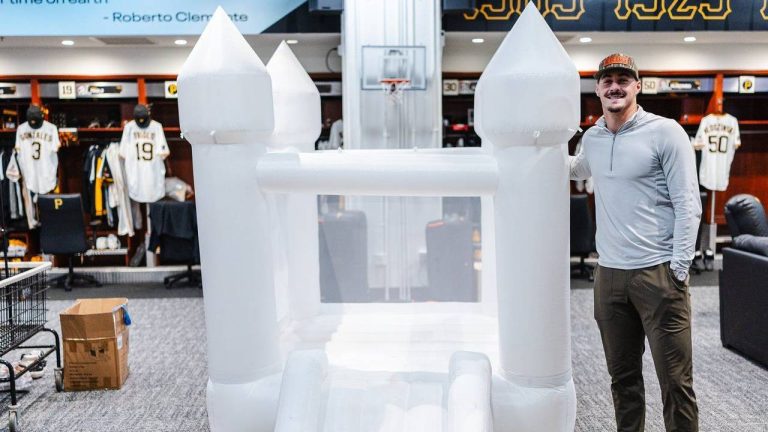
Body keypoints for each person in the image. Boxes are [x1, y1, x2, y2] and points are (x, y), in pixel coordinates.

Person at [570, 53, 702, 431]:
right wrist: (531, 146)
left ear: (637, 87)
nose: (615, 86)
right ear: (597, 88)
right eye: (607, 80)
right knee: (622, 380)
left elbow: (688, 204)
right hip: (609, 276)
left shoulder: (665, 132)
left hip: (658, 274)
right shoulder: (593, 138)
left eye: (623, 80)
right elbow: (578, 167)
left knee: (676, 383)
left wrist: (678, 269)